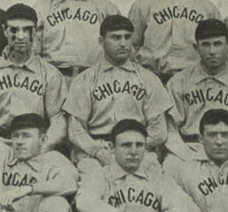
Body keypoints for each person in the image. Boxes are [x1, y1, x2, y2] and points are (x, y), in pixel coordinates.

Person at [63, 15, 172, 174]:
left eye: (127, 37)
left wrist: (129, 147)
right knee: (93, 179)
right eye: (116, 38)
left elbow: (159, 130)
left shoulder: (148, 79)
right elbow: (75, 130)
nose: (123, 43)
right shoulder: (85, 79)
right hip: (96, 149)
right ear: (102, 42)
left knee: (150, 175)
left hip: (137, 150)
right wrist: (99, 152)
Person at [164, 19, 228, 172]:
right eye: (206, 44)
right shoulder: (178, 82)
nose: (212, 51)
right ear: (196, 47)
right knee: (171, 166)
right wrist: (187, 155)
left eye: (218, 44)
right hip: (191, 150)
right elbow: (169, 129)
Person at [0, 3, 68, 151]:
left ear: (36, 31)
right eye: (14, 29)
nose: (20, 36)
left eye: (27, 30)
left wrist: (41, 147)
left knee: (66, 172)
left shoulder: (50, 74)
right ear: (5, 31)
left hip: (36, 147)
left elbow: (59, 121)